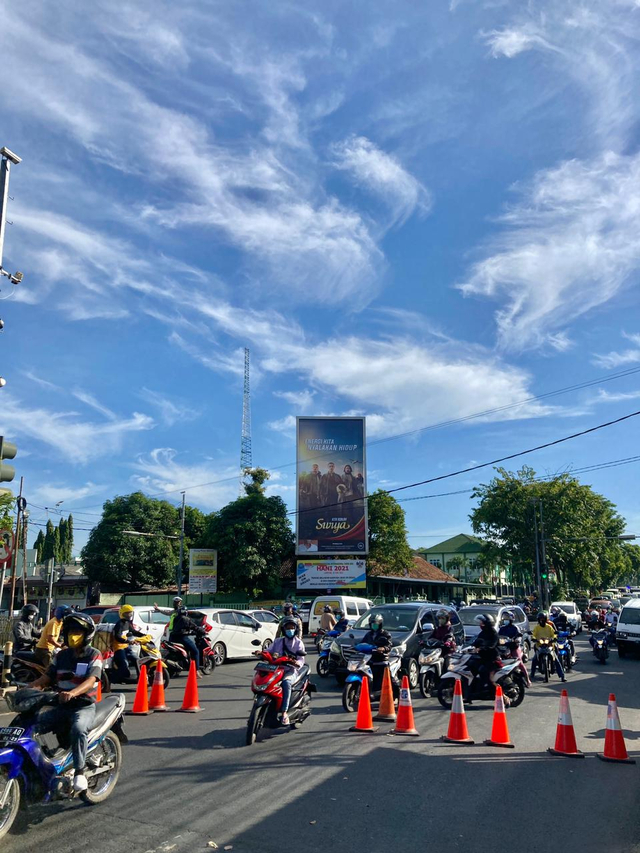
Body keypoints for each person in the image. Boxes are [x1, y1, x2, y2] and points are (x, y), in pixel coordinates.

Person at [30, 612, 103, 793]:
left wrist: (73, 692)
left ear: (87, 635)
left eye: (78, 631)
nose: (73, 635)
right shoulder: (61, 655)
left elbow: (91, 680)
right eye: (70, 631)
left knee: (78, 729)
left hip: (83, 706)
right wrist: (29, 688)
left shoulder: (94, 654)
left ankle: (79, 771)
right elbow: (47, 677)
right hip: (61, 705)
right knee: (33, 723)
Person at [261, 616, 305, 726]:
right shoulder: (277, 641)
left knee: (286, 683)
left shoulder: (298, 643)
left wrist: (296, 663)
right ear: (284, 629)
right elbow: (268, 651)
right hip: (275, 669)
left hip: (290, 670)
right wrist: (261, 653)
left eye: (292, 627)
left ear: (295, 629)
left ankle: (284, 712)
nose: (290, 630)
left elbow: (301, 659)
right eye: (287, 628)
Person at [112, 604, 146, 683]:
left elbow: (134, 632)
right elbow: (117, 637)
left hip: (125, 647)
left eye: (130, 613)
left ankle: (140, 677)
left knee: (137, 659)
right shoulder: (120, 624)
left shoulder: (127, 623)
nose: (129, 615)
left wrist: (143, 635)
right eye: (127, 613)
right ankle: (122, 678)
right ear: (122, 614)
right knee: (125, 663)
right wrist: (128, 641)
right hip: (118, 648)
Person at [531, 612, 565, 682]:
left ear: (546, 619)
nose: (541, 620)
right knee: (534, 660)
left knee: (556, 660)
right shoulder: (537, 628)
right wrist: (534, 638)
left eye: (543, 619)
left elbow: (553, 634)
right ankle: (532, 674)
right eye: (540, 619)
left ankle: (562, 676)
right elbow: (533, 634)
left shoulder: (549, 627)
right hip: (539, 646)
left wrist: (554, 638)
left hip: (549, 645)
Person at [471, 614, 501, 692]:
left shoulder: (493, 633)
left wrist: (481, 648)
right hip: (483, 658)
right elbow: (476, 642)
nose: (480, 625)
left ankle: (503, 697)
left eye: (482, 623)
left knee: (488, 677)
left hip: (492, 659)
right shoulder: (482, 633)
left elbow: (492, 645)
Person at [171, 606, 203, 676]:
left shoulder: (175, 618)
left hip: (172, 638)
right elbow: (195, 627)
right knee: (195, 651)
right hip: (182, 638)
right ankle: (196, 671)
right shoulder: (186, 619)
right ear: (186, 612)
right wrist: (202, 631)